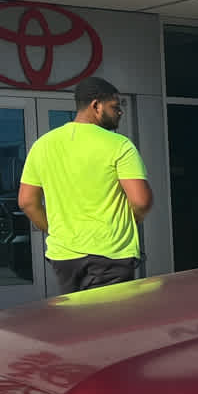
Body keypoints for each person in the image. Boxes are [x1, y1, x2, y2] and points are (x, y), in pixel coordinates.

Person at [17, 76, 153, 295]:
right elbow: (141, 201)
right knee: (109, 324)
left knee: (78, 323)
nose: (120, 112)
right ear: (96, 105)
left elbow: (26, 202)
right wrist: (129, 221)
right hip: (110, 254)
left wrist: (55, 231)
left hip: (65, 257)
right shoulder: (119, 145)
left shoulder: (43, 145)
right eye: (115, 107)